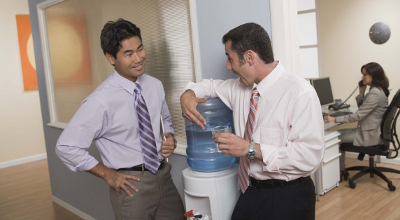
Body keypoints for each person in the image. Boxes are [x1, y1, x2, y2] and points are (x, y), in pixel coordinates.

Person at [181, 23, 324, 220]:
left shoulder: (299, 93)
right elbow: (209, 86)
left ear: (249, 57)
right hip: (250, 190)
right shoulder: (238, 88)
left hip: (288, 195)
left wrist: (250, 149)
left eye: (230, 59)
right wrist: (188, 95)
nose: (228, 67)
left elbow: (309, 156)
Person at [56, 18, 185, 220]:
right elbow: (66, 147)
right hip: (132, 185)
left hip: (163, 177)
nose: (138, 58)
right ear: (111, 58)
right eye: (128, 53)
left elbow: (165, 119)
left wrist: (169, 138)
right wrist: (108, 174)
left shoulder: (154, 85)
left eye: (140, 49)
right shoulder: (100, 101)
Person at [324, 62, 389, 180]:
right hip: (372, 131)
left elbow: (358, 115)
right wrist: (361, 93)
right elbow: (364, 109)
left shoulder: (375, 93)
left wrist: (334, 119)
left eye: (365, 75)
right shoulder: (379, 89)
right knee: (340, 132)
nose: (362, 77)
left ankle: (340, 170)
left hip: (370, 135)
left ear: (373, 75)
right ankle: (341, 169)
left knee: (336, 136)